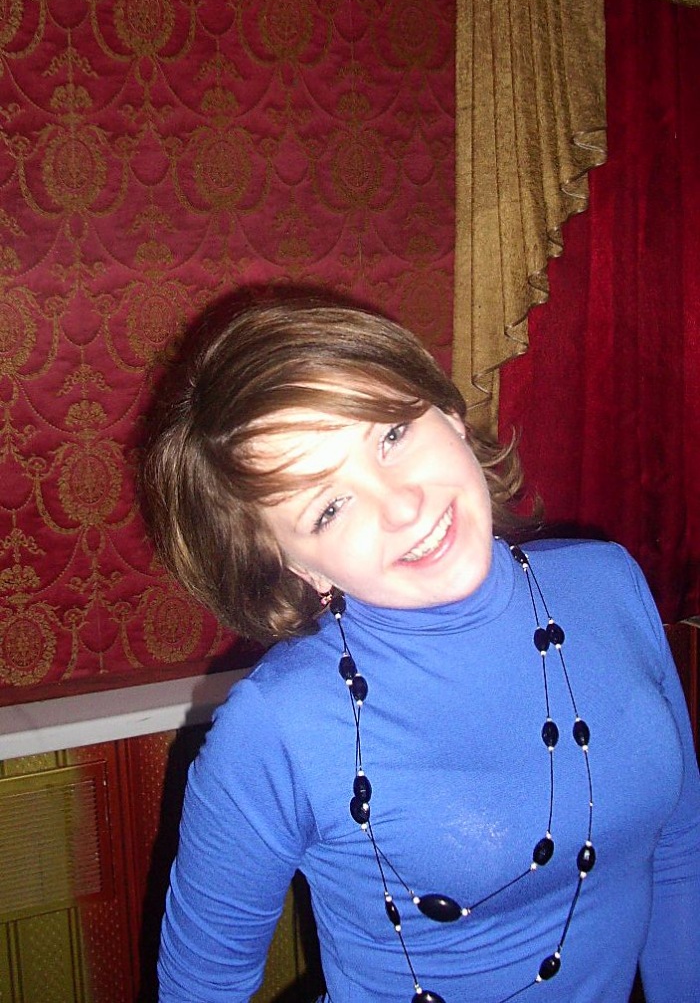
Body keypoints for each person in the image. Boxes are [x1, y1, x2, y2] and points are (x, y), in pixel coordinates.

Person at [142, 299, 700, 1003]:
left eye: (393, 434)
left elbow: (681, 849)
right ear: (300, 568)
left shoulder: (609, 582)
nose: (403, 505)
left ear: (449, 413)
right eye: (329, 508)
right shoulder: (276, 726)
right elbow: (201, 988)